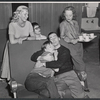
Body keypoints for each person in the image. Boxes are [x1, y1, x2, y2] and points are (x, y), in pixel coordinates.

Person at [25, 32, 89, 98]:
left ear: (59, 38)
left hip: (68, 74)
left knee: (80, 96)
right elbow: (33, 56)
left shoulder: (65, 50)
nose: (53, 39)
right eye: (51, 38)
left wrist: (44, 63)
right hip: (57, 77)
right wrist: (43, 58)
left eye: (54, 37)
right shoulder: (48, 49)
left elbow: (59, 64)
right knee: (49, 93)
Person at [59, 6, 89, 92]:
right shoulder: (62, 24)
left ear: (73, 15)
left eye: (70, 15)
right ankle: (84, 86)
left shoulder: (75, 22)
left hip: (79, 44)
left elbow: (77, 33)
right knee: (81, 64)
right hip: (70, 45)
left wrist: (82, 36)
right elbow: (62, 37)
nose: (68, 17)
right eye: (67, 15)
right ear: (64, 15)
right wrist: (72, 40)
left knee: (76, 66)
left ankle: (78, 85)